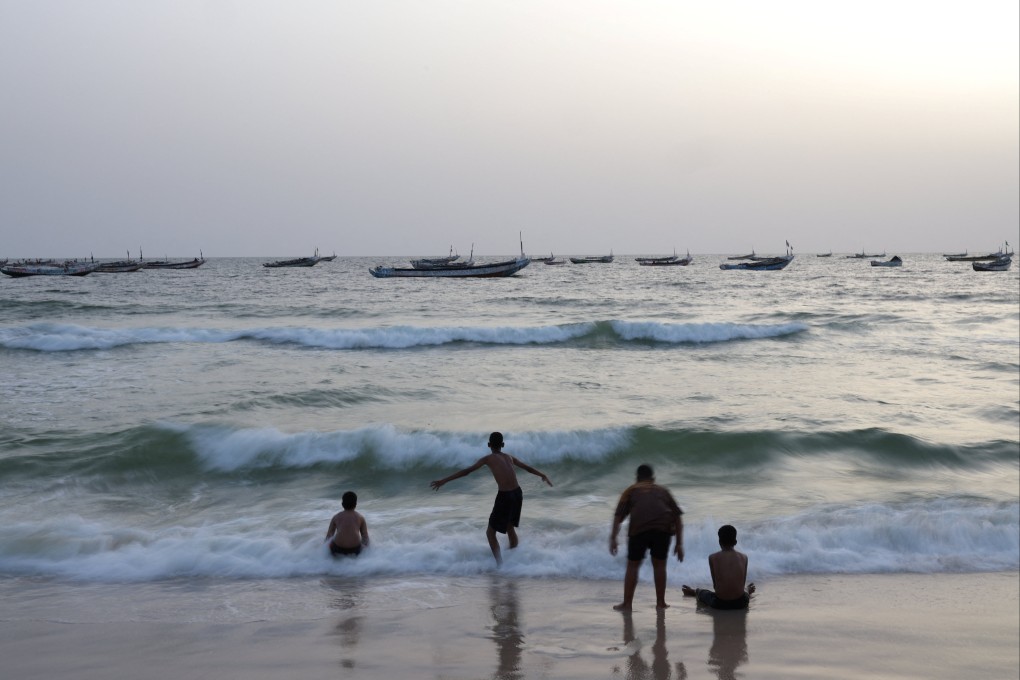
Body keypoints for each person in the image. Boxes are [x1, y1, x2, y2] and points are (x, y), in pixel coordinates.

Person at [430, 432, 553, 565]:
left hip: (505, 496)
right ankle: (514, 561)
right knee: (509, 527)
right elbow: (527, 468)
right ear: (503, 445)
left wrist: (444, 480)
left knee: (490, 533)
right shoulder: (509, 457)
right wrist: (542, 475)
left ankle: (500, 566)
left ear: (489, 445)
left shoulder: (487, 459)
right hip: (517, 493)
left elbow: (467, 471)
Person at [610, 464, 684, 611]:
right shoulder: (663, 491)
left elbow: (618, 516)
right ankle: (661, 603)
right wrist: (679, 544)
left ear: (637, 478)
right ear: (653, 478)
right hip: (662, 530)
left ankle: (627, 604)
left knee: (632, 566)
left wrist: (613, 538)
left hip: (639, 530)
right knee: (660, 566)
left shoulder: (630, 491)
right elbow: (677, 517)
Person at [681, 524, 756, 609]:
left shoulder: (712, 557)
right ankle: (748, 590)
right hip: (741, 603)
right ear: (735, 542)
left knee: (703, 592)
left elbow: (715, 587)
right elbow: (741, 584)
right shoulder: (744, 557)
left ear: (719, 542)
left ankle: (694, 592)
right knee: (744, 591)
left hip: (720, 604)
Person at [325, 491, 370, 557]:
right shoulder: (360, 518)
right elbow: (365, 537)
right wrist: (366, 550)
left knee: (331, 543)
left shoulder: (336, 517)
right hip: (355, 550)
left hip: (338, 549)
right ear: (356, 504)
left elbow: (329, 535)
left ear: (342, 504)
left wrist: (325, 548)